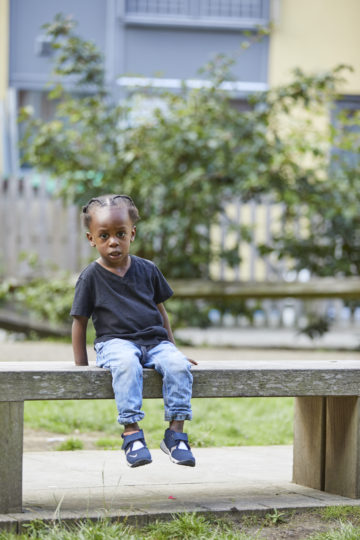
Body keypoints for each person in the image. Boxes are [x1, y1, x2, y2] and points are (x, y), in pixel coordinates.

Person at [70, 194, 196, 468]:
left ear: (132, 234)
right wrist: (80, 368)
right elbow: (79, 322)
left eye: (120, 234)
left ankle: (175, 434)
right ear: (91, 239)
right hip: (115, 344)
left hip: (154, 342)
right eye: (104, 236)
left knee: (178, 367)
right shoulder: (90, 277)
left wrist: (173, 349)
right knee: (128, 364)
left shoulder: (148, 269)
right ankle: (132, 433)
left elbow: (162, 312)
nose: (113, 241)